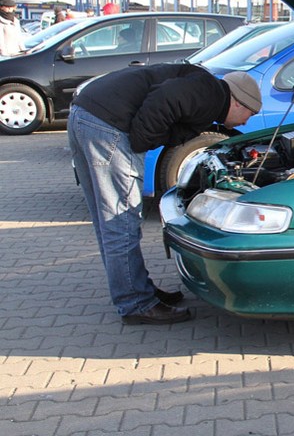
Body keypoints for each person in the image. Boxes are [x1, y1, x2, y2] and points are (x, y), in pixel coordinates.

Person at [68, 65, 262, 325]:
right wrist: (141, 141)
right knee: (120, 222)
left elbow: (170, 110)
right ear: (237, 102)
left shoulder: (206, 91)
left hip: (85, 114)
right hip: (108, 124)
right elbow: (164, 99)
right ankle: (136, 303)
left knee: (108, 222)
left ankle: (136, 289)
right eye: (249, 113)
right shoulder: (210, 93)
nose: (246, 122)